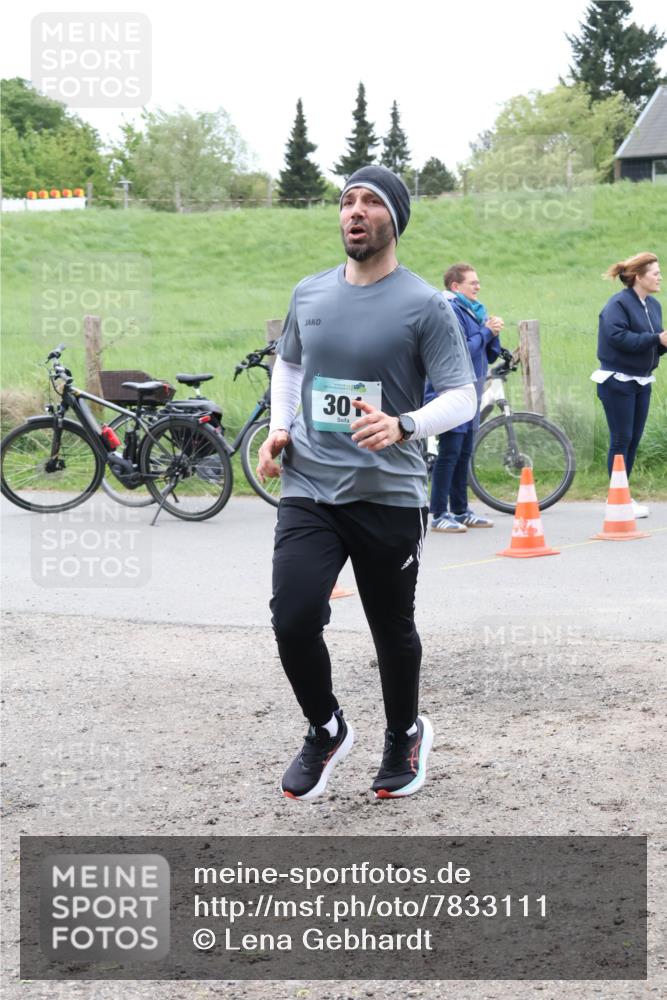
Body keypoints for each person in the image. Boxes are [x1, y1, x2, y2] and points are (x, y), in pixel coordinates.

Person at [257, 165, 476, 801]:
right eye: (347, 201)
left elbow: (463, 396)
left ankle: (404, 732)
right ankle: (326, 730)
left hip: (389, 493)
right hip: (310, 487)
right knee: (294, 617)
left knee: (390, 627)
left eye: (371, 203)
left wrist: (405, 424)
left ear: (394, 220)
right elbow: (290, 367)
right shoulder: (310, 294)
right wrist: (280, 428)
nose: (355, 211)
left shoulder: (425, 305)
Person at [425, 263, 503, 532]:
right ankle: (438, 513)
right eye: (473, 283)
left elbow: (486, 354)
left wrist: (493, 333)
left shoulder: (473, 311)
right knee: (450, 452)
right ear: (456, 286)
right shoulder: (450, 311)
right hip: (450, 392)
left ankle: (460, 510)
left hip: (472, 391)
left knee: (464, 453)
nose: (478, 287)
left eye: (478, 282)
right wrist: (486, 332)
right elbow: (461, 351)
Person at [592, 252, 666, 517]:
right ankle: (617, 499)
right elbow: (618, 338)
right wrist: (657, 339)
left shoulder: (654, 305)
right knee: (621, 439)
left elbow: (652, 342)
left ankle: (623, 495)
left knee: (633, 440)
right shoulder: (618, 304)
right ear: (638, 277)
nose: (660, 277)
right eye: (655, 273)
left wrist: (661, 343)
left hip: (642, 380)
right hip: (617, 381)